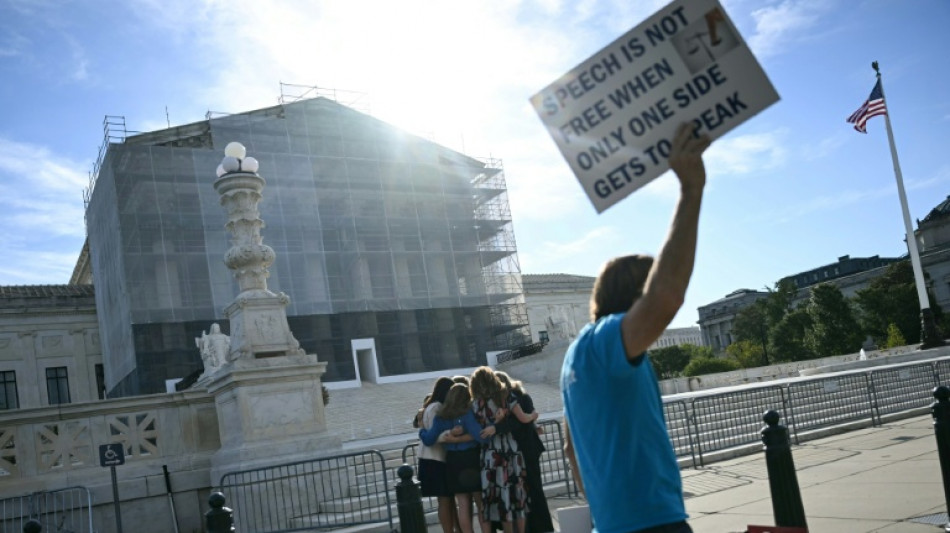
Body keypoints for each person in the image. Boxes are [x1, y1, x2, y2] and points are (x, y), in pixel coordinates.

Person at [560, 123, 711, 533]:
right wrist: (691, 189)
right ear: (634, 297)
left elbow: (571, 450)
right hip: (653, 522)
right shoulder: (609, 338)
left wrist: (608, 513)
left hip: (614, 525)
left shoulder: (577, 357)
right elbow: (666, 298)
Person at [420, 383, 489, 533]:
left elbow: (429, 439)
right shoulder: (467, 413)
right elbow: (481, 437)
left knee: (462, 504)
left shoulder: (440, 417)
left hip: (452, 460)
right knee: (480, 502)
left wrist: (422, 432)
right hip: (470, 459)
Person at [470, 366, 528, 533]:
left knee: (501, 498)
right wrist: (532, 416)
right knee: (517, 494)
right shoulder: (506, 397)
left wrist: (493, 425)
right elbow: (521, 419)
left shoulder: (475, 405)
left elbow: (478, 432)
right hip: (510, 450)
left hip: (490, 454)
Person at [494, 371, 553, 533]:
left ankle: (531, 526)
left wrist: (496, 427)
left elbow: (516, 423)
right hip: (530, 446)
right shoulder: (522, 396)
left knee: (521, 489)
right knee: (534, 487)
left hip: (518, 448)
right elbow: (528, 417)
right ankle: (541, 525)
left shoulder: (506, 400)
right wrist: (533, 420)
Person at [416, 377, 458, 533]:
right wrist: (450, 434)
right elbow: (434, 434)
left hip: (432, 458)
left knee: (446, 499)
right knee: (445, 500)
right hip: (435, 459)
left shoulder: (432, 406)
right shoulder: (436, 407)